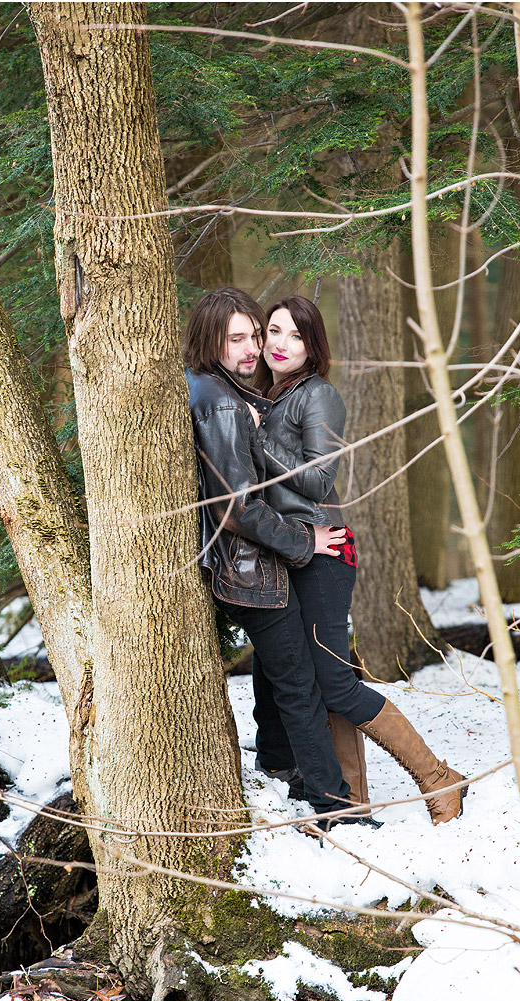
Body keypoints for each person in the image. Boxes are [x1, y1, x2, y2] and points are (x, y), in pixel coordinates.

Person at [253, 295, 467, 825]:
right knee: (315, 675)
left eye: (295, 336)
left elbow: (319, 479)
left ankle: (438, 778)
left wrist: (257, 438)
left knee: (332, 679)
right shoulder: (268, 397)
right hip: (290, 551)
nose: (280, 344)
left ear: (312, 346)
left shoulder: (318, 395)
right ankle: (350, 795)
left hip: (324, 552)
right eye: (273, 331)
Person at [183, 287, 374, 830]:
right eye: (239, 338)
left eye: (254, 336)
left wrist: (260, 424)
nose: (255, 348)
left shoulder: (234, 394)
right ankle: (332, 804)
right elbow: (240, 505)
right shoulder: (223, 399)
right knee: (298, 683)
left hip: (272, 559)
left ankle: (286, 770)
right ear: (211, 340)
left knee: (298, 678)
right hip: (254, 564)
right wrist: (301, 542)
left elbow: (313, 478)